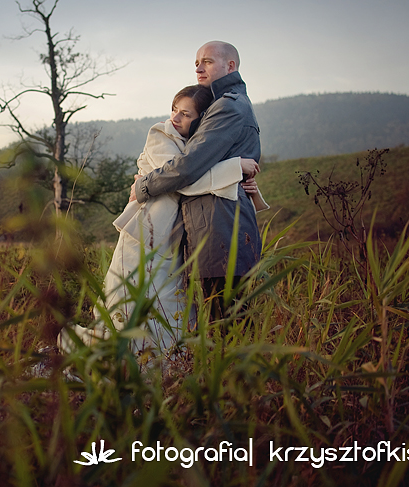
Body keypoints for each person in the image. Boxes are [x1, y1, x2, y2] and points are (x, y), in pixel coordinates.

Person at [58, 85, 267, 360]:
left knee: (168, 295)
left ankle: (164, 353)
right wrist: (235, 167)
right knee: (134, 291)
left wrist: (245, 182)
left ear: (201, 119)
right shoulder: (160, 134)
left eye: (185, 114)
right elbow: (184, 180)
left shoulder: (196, 146)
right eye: (174, 110)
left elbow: (197, 167)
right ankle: (126, 352)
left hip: (173, 236)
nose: (175, 118)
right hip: (145, 232)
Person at [130, 41, 262, 321]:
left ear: (230, 66)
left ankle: (233, 365)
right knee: (225, 318)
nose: (199, 68)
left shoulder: (227, 107)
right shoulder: (223, 104)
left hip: (220, 225)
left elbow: (189, 166)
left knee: (227, 320)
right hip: (216, 223)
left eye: (208, 61)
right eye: (197, 63)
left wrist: (143, 186)